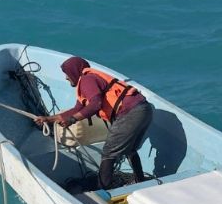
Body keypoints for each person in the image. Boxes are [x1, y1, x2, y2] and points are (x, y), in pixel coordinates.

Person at [35, 56, 154, 190]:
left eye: (67, 74)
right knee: (130, 149)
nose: (66, 78)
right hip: (144, 109)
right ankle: (140, 181)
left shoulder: (87, 80)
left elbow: (95, 104)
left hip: (130, 112)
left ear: (75, 71)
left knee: (109, 152)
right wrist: (48, 119)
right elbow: (77, 109)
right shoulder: (89, 80)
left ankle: (103, 190)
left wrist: (72, 120)